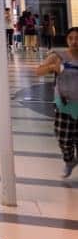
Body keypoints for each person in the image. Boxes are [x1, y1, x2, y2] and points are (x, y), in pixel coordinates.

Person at [35, 27, 78, 178]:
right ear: (67, 40)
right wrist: (53, 67)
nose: (74, 42)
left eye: (77, 38)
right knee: (64, 139)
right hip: (65, 106)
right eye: (71, 38)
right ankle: (69, 160)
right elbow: (38, 71)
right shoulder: (59, 56)